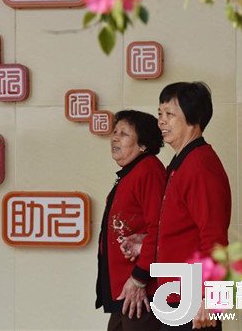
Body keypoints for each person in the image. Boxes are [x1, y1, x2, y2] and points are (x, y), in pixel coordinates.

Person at [121, 81, 232, 330]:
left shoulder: (200, 166)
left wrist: (210, 298)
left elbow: (214, 237)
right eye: (160, 113)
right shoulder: (181, 163)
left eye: (169, 114)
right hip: (174, 294)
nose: (161, 121)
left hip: (192, 300)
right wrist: (145, 242)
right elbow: (182, 228)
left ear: (193, 118)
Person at [96, 110, 166, 331]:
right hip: (125, 289)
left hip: (141, 289)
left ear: (143, 144)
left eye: (124, 134)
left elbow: (159, 229)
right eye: (115, 132)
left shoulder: (149, 170)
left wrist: (139, 277)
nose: (115, 138)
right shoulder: (132, 172)